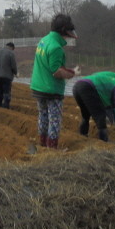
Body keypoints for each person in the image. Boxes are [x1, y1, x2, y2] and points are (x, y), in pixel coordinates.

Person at [30, 14, 80, 149]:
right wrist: (72, 73)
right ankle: (52, 147)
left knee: (43, 115)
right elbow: (57, 71)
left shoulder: (43, 41)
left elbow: (49, 65)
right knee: (54, 119)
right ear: (63, 31)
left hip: (38, 86)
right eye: (67, 34)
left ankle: (42, 144)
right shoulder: (56, 47)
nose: (68, 38)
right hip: (51, 89)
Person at [73, 72, 115, 142]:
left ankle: (82, 136)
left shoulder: (110, 81)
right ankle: (104, 140)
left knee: (86, 115)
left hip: (77, 86)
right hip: (87, 87)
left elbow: (102, 100)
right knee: (100, 115)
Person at [0, 42, 17, 108]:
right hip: (6, 76)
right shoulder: (11, 53)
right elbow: (13, 65)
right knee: (6, 91)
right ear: (12, 47)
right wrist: (15, 72)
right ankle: (6, 105)